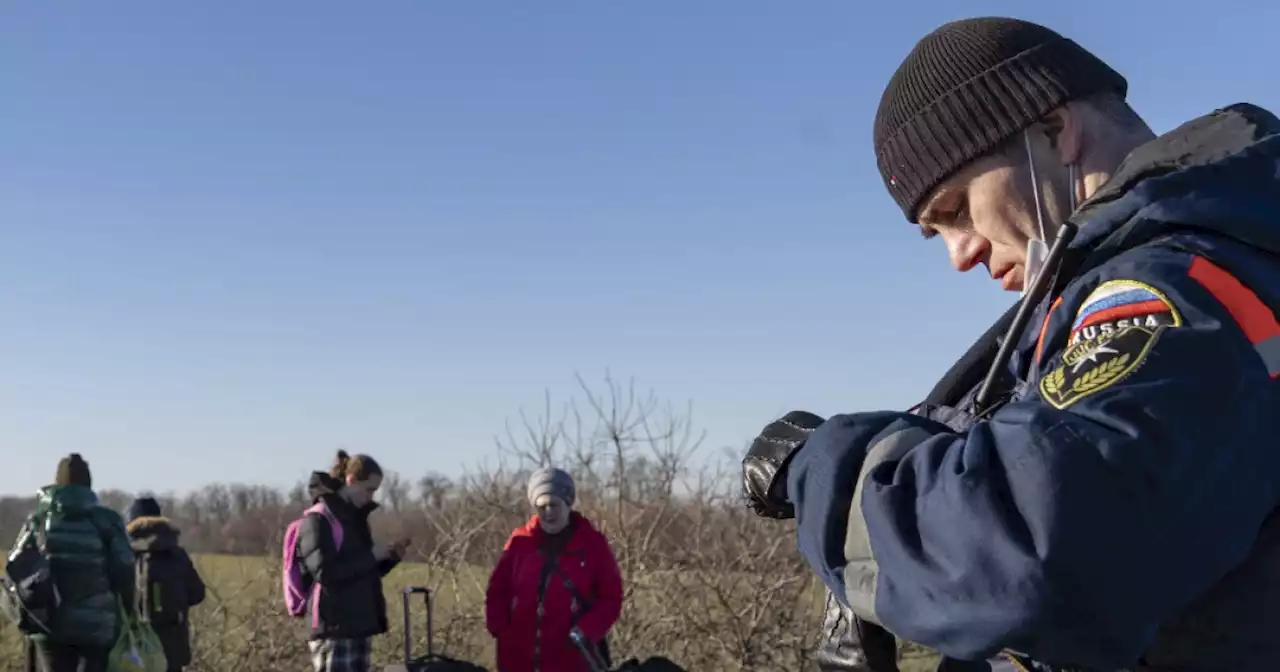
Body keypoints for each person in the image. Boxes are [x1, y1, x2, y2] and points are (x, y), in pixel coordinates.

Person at [742, 16, 1280, 672]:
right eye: (935, 232)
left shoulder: (1182, 288)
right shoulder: (1188, 264)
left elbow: (1031, 548)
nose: (959, 255)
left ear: (1055, 131)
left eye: (958, 210)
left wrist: (826, 472)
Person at [484, 467, 623, 672]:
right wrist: (500, 628)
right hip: (517, 660)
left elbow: (611, 597)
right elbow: (498, 589)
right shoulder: (520, 542)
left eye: (554, 505)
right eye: (542, 506)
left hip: (571, 660)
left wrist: (586, 631)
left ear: (568, 503)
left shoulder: (592, 544)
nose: (548, 512)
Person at [10, 454, 135, 672]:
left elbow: (14, 565)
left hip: (48, 622)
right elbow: (125, 567)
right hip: (96, 623)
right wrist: (127, 608)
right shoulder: (107, 520)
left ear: (57, 482)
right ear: (88, 484)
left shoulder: (38, 519)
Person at [296, 451, 409, 672]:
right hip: (333, 628)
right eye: (369, 489)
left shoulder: (355, 521)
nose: (371, 496)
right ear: (351, 480)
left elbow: (360, 572)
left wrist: (388, 559)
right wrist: (372, 556)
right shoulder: (319, 518)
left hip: (358, 626)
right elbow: (325, 573)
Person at [125, 496, 207, 672]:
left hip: (134, 647)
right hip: (173, 648)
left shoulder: (125, 554)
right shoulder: (178, 555)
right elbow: (198, 593)